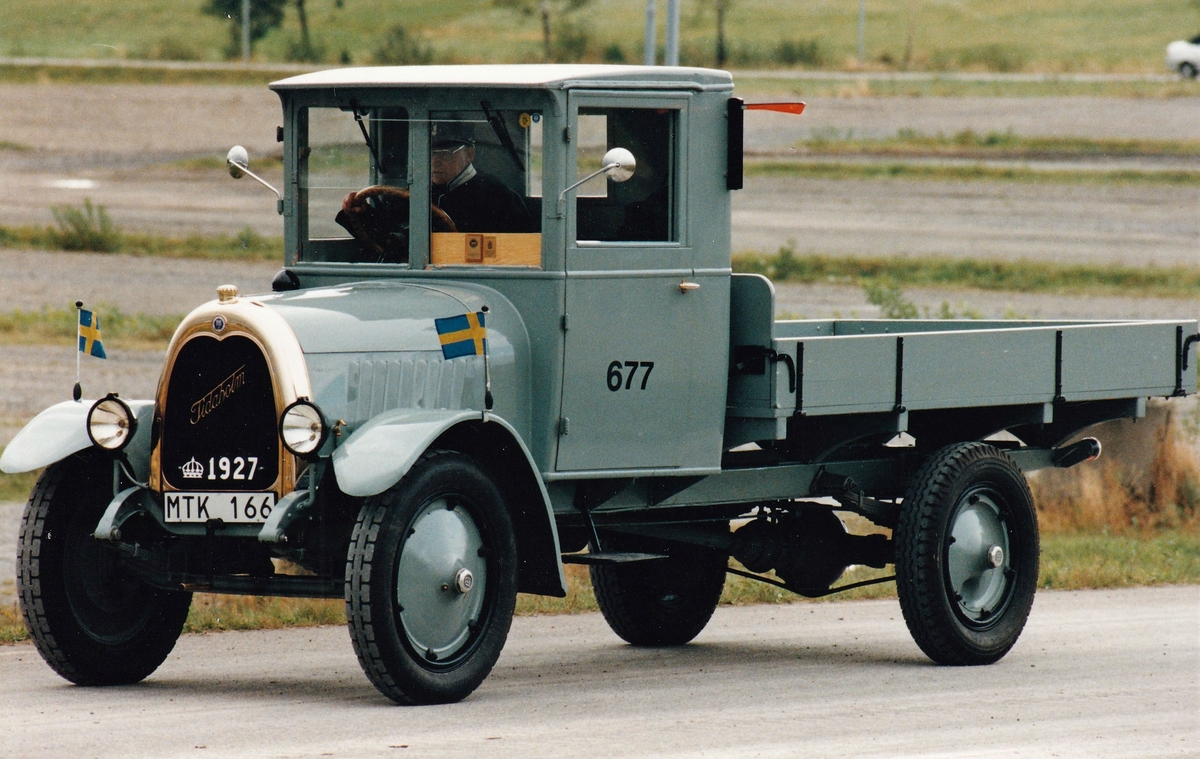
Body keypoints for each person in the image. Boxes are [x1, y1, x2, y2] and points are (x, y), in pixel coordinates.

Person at [429, 120, 533, 233]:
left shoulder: (502, 198)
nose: (434, 161)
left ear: (469, 154)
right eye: (430, 153)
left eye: (444, 153)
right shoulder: (416, 192)